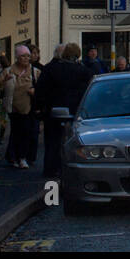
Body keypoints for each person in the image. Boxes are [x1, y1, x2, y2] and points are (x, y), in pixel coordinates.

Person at [36, 42, 91, 178]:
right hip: (75, 112)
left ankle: (50, 170)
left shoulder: (50, 69)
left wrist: (40, 108)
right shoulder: (83, 71)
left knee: (52, 142)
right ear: (77, 55)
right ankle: (69, 170)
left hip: (53, 111)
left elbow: (40, 90)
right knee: (74, 142)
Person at [0, 45, 40, 168]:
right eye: (23, 56)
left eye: (28, 56)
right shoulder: (8, 71)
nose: (26, 58)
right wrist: (4, 80)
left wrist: (35, 91)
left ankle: (22, 158)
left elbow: (42, 88)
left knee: (25, 132)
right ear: (17, 57)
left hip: (28, 107)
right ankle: (13, 157)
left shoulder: (35, 72)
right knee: (15, 132)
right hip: (12, 107)